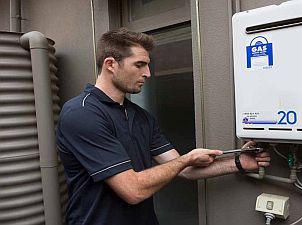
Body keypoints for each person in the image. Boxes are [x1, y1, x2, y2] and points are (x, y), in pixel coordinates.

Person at [56, 27, 270, 225]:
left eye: (148, 65)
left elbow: (184, 170)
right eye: (139, 65)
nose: (148, 73)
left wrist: (240, 162)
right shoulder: (82, 113)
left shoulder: (140, 117)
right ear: (110, 64)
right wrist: (186, 159)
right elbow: (133, 190)